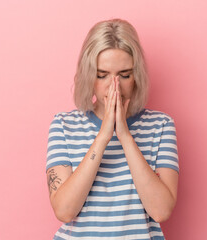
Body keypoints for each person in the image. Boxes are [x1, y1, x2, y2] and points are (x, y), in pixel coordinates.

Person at [46, 18, 179, 240]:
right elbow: (64, 210)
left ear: (137, 76)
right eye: (102, 75)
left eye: (125, 75)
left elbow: (161, 210)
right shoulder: (63, 125)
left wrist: (125, 135)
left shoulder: (161, 125)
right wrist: (103, 136)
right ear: (89, 76)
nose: (114, 85)